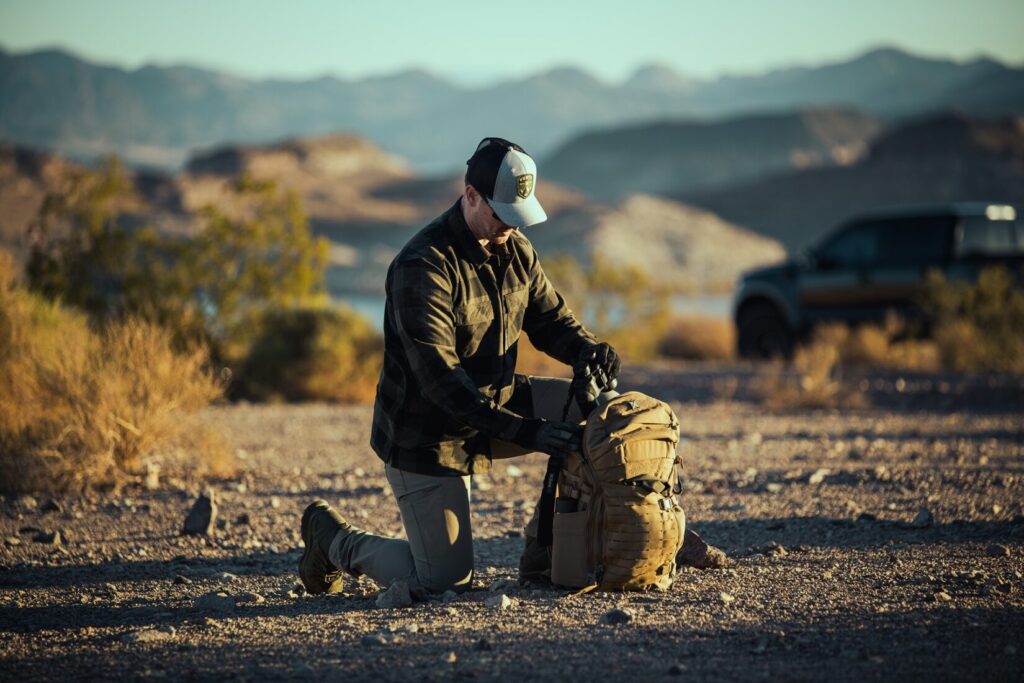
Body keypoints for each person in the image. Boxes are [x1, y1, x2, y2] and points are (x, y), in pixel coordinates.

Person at [298, 137, 620, 597]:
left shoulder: (515, 248)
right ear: (470, 195)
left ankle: (557, 550)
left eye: (518, 213)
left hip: (497, 406)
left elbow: (551, 320)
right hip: (429, 436)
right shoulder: (422, 266)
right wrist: (527, 431)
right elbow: (442, 382)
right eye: (502, 212)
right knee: (442, 582)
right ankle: (334, 541)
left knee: (601, 409)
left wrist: (590, 351)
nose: (511, 225)